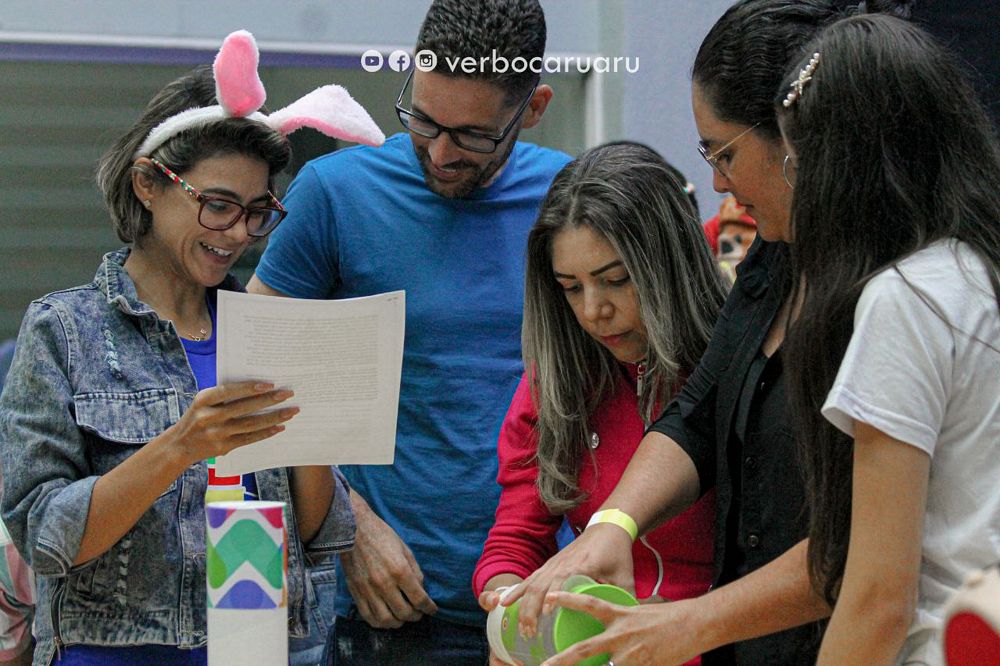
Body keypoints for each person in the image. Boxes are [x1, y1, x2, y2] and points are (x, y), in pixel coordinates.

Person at [498, 2, 909, 665]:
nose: (717, 181)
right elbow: (699, 413)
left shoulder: (896, 296)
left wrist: (688, 624)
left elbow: (859, 557)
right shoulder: (774, 261)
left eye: (725, 152)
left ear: (798, 139)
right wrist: (614, 524)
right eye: (571, 288)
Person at [0, 30, 382, 665]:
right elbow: (43, 536)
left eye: (257, 211)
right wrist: (180, 446)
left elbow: (320, 536)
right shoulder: (64, 331)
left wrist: (313, 431)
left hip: (254, 650)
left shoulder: (268, 330)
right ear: (148, 183)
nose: (237, 234)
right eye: (217, 205)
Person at [246, 1, 570, 663]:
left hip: (546, 606)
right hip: (388, 613)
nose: (441, 153)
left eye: (473, 135)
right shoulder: (336, 194)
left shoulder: (572, 199)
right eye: (422, 119)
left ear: (533, 108)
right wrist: (348, 525)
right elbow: (253, 380)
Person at [777, 14, 1000, 663]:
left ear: (838, 171)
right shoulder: (978, 274)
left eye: (796, 163)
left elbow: (879, 600)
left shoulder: (909, 299)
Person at [474, 142, 727, 664]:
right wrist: (510, 611)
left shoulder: (738, 368)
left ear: (670, 264)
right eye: (571, 288)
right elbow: (516, 537)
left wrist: (686, 626)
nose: (594, 311)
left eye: (615, 280)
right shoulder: (558, 380)